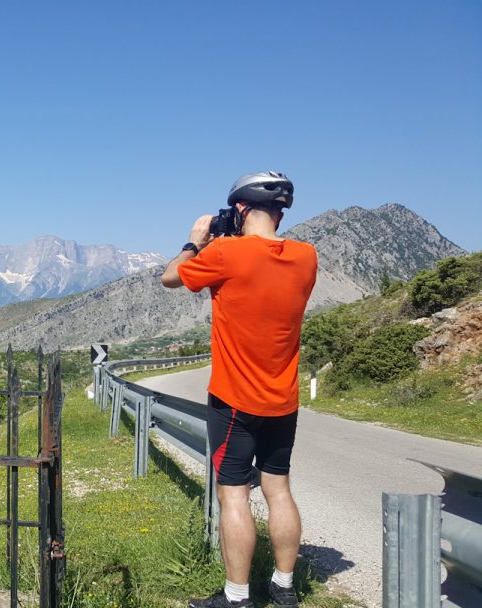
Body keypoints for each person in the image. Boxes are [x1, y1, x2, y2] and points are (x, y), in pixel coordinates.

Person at [160, 171, 318, 608]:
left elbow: (170, 277)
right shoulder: (307, 257)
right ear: (280, 210)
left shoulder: (226, 252)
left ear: (243, 208)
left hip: (234, 400)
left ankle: (236, 598)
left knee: (234, 494)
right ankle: (284, 588)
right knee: (279, 489)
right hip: (282, 400)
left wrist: (195, 240)